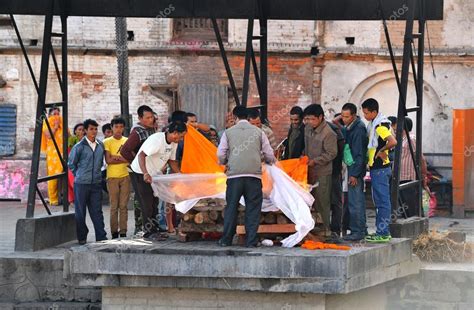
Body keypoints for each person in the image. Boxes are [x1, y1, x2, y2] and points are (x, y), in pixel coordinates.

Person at [217, 106, 277, 247]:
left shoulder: (228, 132)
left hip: (234, 177)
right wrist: (270, 162)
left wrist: (225, 161)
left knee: (231, 207)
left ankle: (226, 240)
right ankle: (251, 241)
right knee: (253, 208)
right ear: (248, 117)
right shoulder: (259, 132)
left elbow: (220, 153)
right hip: (254, 177)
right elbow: (269, 153)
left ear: (235, 117)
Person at [130, 122, 187, 240]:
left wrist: (181, 175)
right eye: (181, 136)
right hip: (140, 172)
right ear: (174, 133)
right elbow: (141, 156)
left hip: (154, 173)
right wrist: (145, 173)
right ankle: (148, 232)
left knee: (155, 202)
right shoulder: (157, 140)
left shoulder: (173, 143)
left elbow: (171, 161)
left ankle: (155, 228)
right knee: (147, 203)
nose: (181, 139)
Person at [362, 98, 397, 243]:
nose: (364, 116)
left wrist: (381, 150)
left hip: (380, 169)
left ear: (374, 112)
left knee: (382, 202)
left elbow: (393, 142)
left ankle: (383, 232)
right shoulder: (379, 123)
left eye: (366, 113)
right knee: (381, 201)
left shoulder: (379, 126)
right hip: (381, 168)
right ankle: (380, 231)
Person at [68, 119, 107, 244]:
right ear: (85, 131)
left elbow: (101, 163)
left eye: (95, 129)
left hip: (96, 183)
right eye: (91, 129)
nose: (94, 131)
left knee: (97, 212)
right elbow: (71, 164)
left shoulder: (101, 145)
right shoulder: (79, 147)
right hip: (81, 185)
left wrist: (98, 175)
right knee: (80, 212)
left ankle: (101, 237)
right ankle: (82, 238)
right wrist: (79, 175)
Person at [120, 105, 157, 235]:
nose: (151, 120)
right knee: (143, 200)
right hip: (139, 171)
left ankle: (153, 227)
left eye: (152, 117)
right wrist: (135, 162)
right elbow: (124, 150)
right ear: (140, 118)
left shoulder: (152, 130)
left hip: (150, 170)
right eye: (147, 118)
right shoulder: (137, 132)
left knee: (153, 199)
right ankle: (143, 228)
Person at [303, 104, 337, 238]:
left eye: (312, 119)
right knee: (310, 200)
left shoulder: (329, 133)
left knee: (322, 201)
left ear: (320, 117)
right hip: (309, 171)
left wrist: (315, 161)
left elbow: (331, 153)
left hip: (323, 173)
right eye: (307, 119)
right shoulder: (307, 129)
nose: (309, 122)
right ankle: (314, 228)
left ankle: (326, 230)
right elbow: (306, 147)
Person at [340, 103, 368, 241]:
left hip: (354, 170)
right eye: (342, 116)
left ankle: (358, 231)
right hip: (351, 168)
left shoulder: (358, 129)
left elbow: (359, 154)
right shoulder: (349, 127)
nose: (343, 119)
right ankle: (361, 229)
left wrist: (354, 174)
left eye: (346, 116)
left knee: (355, 202)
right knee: (355, 201)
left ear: (354, 116)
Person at [104, 117, 130, 239]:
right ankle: (114, 231)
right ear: (112, 128)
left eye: (121, 127)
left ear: (124, 128)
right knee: (114, 206)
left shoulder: (127, 140)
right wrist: (121, 158)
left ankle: (123, 231)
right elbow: (108, 160)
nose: (118, 129)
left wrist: (116, 157)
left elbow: (130, 159)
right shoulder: (107, 142)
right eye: (116, 127)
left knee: (123, 206)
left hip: (125, 176)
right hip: (112, 177)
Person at [398, 117, 429, 217]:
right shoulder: (403, 139)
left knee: (412, 205)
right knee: (405, 205)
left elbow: (421, 158)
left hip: (409, 177)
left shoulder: (411, 139)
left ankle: (418, 228)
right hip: (402, 177)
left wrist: (424, 176)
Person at [41, 107, 64, 206]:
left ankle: (63, 197)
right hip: (53, 154)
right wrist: (55, 126)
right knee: (53, 176)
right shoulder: (46, 123)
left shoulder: (62, 123)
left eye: (58, 114)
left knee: (64, 176)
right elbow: (49, 135)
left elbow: (68, 135)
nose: (56, 116)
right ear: (49, 115)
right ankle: (53, 199)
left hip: (63, 152)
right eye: (54, 114)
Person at [327, 115, 345, 241]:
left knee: (336, 202)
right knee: (334, 203)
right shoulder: (335, 130)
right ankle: (334, 230)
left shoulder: (334, 131)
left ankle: (334, 230)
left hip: (333, 172)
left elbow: (336, 155)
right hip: (332, 172)